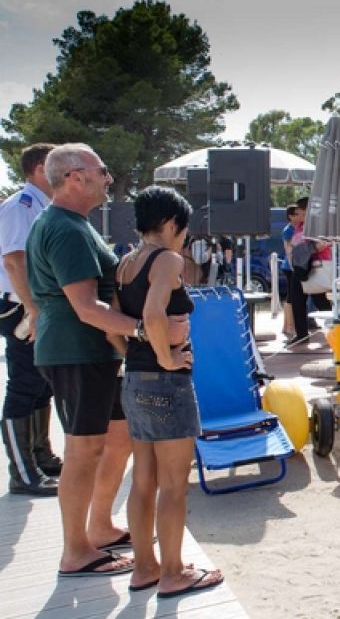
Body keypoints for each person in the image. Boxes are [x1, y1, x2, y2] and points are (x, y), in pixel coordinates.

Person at [27, 143, 188, 577]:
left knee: (117, 440)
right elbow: (86, 307)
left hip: (95, 352)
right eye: (101, 171)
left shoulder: (75, 224)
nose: (108, 178)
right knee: (83, 450)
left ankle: (99, 527)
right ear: (75, 177)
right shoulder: (65, 229)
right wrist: (143, 333)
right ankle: (75, 549)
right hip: (76, 352)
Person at [113, 186, 223, 598]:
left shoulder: (124, 263)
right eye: (184, 229)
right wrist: (167, 358)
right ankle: (173, 573)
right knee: (174, 484)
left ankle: (145, 568)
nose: (184, 238)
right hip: (166, 382)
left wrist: (137, 354)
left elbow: (113, 326)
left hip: (134, 380)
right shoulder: (167, 259)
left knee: (143, 480)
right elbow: (153, 314)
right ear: (172, 223)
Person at [0, 143, 61, 496]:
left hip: (36, 306)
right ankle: (22, 473)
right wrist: (33, 308)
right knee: (24, 385)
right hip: (21, 307)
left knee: (41, 384)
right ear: (40, 168)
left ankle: (41, 456)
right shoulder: (20, 206)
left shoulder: (42, 206)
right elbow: (13, 261)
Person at [286, 197, 331, 344]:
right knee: (296, 298)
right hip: (300, 267)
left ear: (306, 210)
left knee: (320, 299)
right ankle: (302, 335)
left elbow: (323, 243)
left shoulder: (317, 225)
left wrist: (304, 250)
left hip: (314, 265)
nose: (298, 214)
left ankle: (335, 327)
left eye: (300, 211)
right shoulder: (300, 226)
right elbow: (293, 243)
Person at [280, 205, 300, 339]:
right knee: (291, 296)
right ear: (290, 216)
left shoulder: (299, 228)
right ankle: (288, 326)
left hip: (297, 265)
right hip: (289, 267)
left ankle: (288, 325)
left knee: (293, 296)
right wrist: (293, 265)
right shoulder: (288, 230)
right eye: (297, 214)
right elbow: (288, 249)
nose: (300, 217)